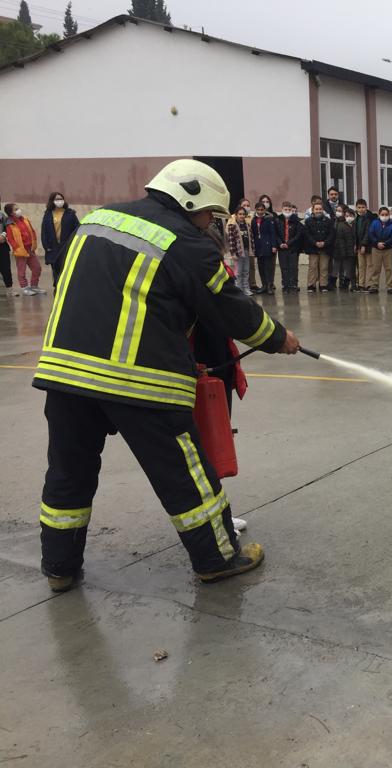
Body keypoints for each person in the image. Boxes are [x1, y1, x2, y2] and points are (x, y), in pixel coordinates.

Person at [33, 159, 301, 592]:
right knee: (185, 475)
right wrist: (278, 338)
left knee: (67, 472)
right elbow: (229, 307)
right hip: (138, 379)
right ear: (190, 200)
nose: (208, 225)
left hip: (65, 371)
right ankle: (217, 558)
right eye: (209, 215)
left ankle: (59, 568)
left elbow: (78, 278)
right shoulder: (185, 243)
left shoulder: (97, 221)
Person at [40, 192, 80, 286]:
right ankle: (57, 286)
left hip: (66, 245)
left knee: (66, 266)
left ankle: (65, 285)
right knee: (55, 267)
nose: (59, 201)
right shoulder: (48, 214)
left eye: (61, 199)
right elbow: (44, 231)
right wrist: (46, 246)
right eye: (57, 199)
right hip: (53, 246)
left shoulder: (70, 213)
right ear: (52, 201)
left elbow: (77, 228)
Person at [3, 203, 43, 296]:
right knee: (22, 271)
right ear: (11, 213)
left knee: (37, 268)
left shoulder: (25, 220)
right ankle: (24, 287)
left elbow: (32, 231)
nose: (19, 210)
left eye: (18, 208)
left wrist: (34, 242)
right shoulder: (10, 224)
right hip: (20, 251)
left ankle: (34, 286)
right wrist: (17, 248)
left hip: (30, 249)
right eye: (16, 209)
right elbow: (10, 238)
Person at [303, 201, 335, 292]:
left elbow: (331, 234)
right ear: (313, 210)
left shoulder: (328, 221)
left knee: (324, 267)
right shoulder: (308, 221)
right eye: (316, 209)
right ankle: (311, 285)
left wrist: (325, 242)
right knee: (312, 267)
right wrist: (315, 242)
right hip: (313, 248)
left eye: (320, 209)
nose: (318, 211)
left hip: (325, 248)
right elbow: (307, 234)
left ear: (323, 210)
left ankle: (323, 285)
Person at [250, 201, 280, 294]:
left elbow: (273, 233)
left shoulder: (269, 219)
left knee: (269, 267)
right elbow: (253, 234)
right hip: (259, 247)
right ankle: (264, 285)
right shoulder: (253, 220)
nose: (260, 211)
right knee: (261, 267)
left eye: (262, 210)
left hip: (268, 246)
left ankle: (270, 286)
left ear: (265, 210)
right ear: (255, 210)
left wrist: (274, 246)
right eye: (258, 209)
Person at [367, 206, 392, 294]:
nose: (384, 216)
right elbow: (371, 234)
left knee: (389, 269)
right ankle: (374, 286)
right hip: (376, 249)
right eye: (382, 214)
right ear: (379, 215)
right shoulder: (374, 223)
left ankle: (390, 286)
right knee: (376, 269)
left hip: (388, 249)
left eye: (386, 214)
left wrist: (386, 244)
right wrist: (377, 243)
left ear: (389, 214)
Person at [225, 205, 254, 295]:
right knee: (239, 272)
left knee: (246, 271)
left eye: (243, 214)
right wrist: (233, 253)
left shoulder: (247, 225)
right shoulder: (232, 226)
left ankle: (246, 288)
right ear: (236, 215)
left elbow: (251, 238)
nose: (242, 216)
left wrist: (252, 250)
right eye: (240, 214)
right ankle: (239, 290)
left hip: (246, 251)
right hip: (237, 252)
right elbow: (231, 240)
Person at [277, 202, 303, 293]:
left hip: (293, 248)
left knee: (293, 267)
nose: (287, 211)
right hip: (281, 248)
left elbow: (298, 235)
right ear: (282, 209)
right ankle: (285, 285)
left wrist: (288, 243)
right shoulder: (278, 220)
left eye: (289, 209)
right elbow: (276, 234)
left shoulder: (296, 221)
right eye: (285, 209)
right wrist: (280, 243)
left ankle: (293, 285)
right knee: (284, 267)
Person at [352, 199, 376, 293]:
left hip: (368, 246)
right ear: (356, 208)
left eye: (363, 207)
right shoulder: (357, 218)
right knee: (361, 266)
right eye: (359, 207)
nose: (361, 209)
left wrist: (364, 245)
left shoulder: (370, 218)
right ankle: (361, 284)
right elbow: (355, 233)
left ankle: (369, 284)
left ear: (366, 207)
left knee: (369, 265)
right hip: (359, 246)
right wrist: (356, 244)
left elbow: (368, 232)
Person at [333, 206, 357, 291]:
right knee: (349, 269)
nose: (349, 218)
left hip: (355, 251)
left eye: (350, 216)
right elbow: (340, 240)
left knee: (353, 269)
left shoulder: (356, 225)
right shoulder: (341, 225)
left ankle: (353, 284)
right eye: (347, 216)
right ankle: (349, 285)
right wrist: (343, 252)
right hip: (346, 252)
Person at [0, 204, 12, 296]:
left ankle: (9, 289)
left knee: (6, 268)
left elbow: (7, 227)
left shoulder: (2, 215)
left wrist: (3, 235)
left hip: (2, 246)